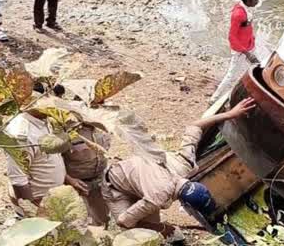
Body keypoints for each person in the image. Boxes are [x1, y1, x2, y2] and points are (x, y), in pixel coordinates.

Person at [101, 98, 256, 235]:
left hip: (139, 179)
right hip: (115, 186)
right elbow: (123, 221)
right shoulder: (157, 198)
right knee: (135, 230)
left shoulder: (184, 164)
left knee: (152, 224)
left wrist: (230, 114)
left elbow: (195, 126)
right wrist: (161, 228)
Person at [5, 110, 67, 214]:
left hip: (52, 201)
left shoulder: (46, 120)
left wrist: (67, 178)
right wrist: (34, 212)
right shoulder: (22, 135)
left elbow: (48, 158)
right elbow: (18, 180)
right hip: (37, 204)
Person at [210, 0, 262, 103]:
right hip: (241, 51)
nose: (257, 1)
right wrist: (247, 53)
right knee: (231, 76)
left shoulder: (246, 9)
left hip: (249, 47)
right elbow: (231, 37)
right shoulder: (238, 14)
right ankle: (214, 99)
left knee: (256, 68)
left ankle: (247, 94)